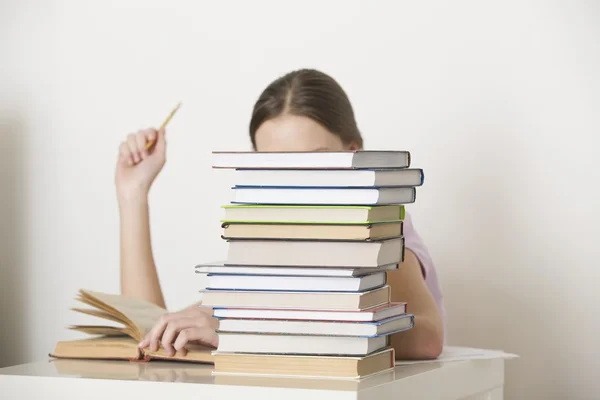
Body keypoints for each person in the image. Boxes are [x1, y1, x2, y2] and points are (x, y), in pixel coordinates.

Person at [115, 69, 445, 360]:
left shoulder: (378, 225)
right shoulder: (267, 233)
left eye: (314, 163)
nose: (294, 185)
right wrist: (134, 194)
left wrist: (245, 329)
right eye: (275, 168)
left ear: (353, 155)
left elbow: (428, 337)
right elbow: (150, 326)